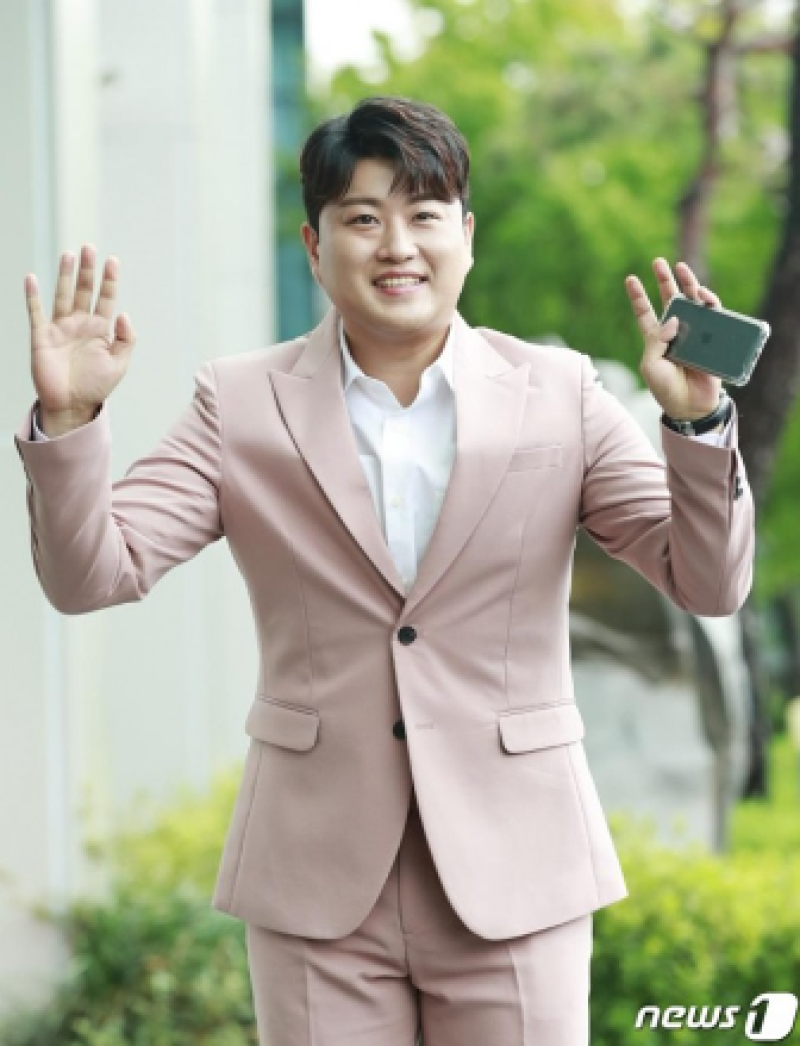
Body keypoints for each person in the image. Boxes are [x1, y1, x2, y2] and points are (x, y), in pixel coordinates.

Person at [15, 96, 754, 1046]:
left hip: (517, 867)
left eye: (423, 214)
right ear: (314, 247)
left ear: (466, 237)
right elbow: (90, 575)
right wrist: (70, 423)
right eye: (362, 218)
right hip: (316, 881)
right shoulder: (238, 403)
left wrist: (695, 422)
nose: (396, 245)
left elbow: (709, 584)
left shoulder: (560, 393)